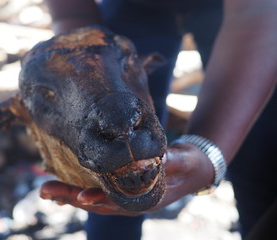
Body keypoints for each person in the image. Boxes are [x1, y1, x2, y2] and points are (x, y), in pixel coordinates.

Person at [39, 0, 277, 239]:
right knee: (106, 165)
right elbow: (72, 10)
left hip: (241, 11)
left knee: (257, 154)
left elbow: (255, 9)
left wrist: (208, 154)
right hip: (131, 7)